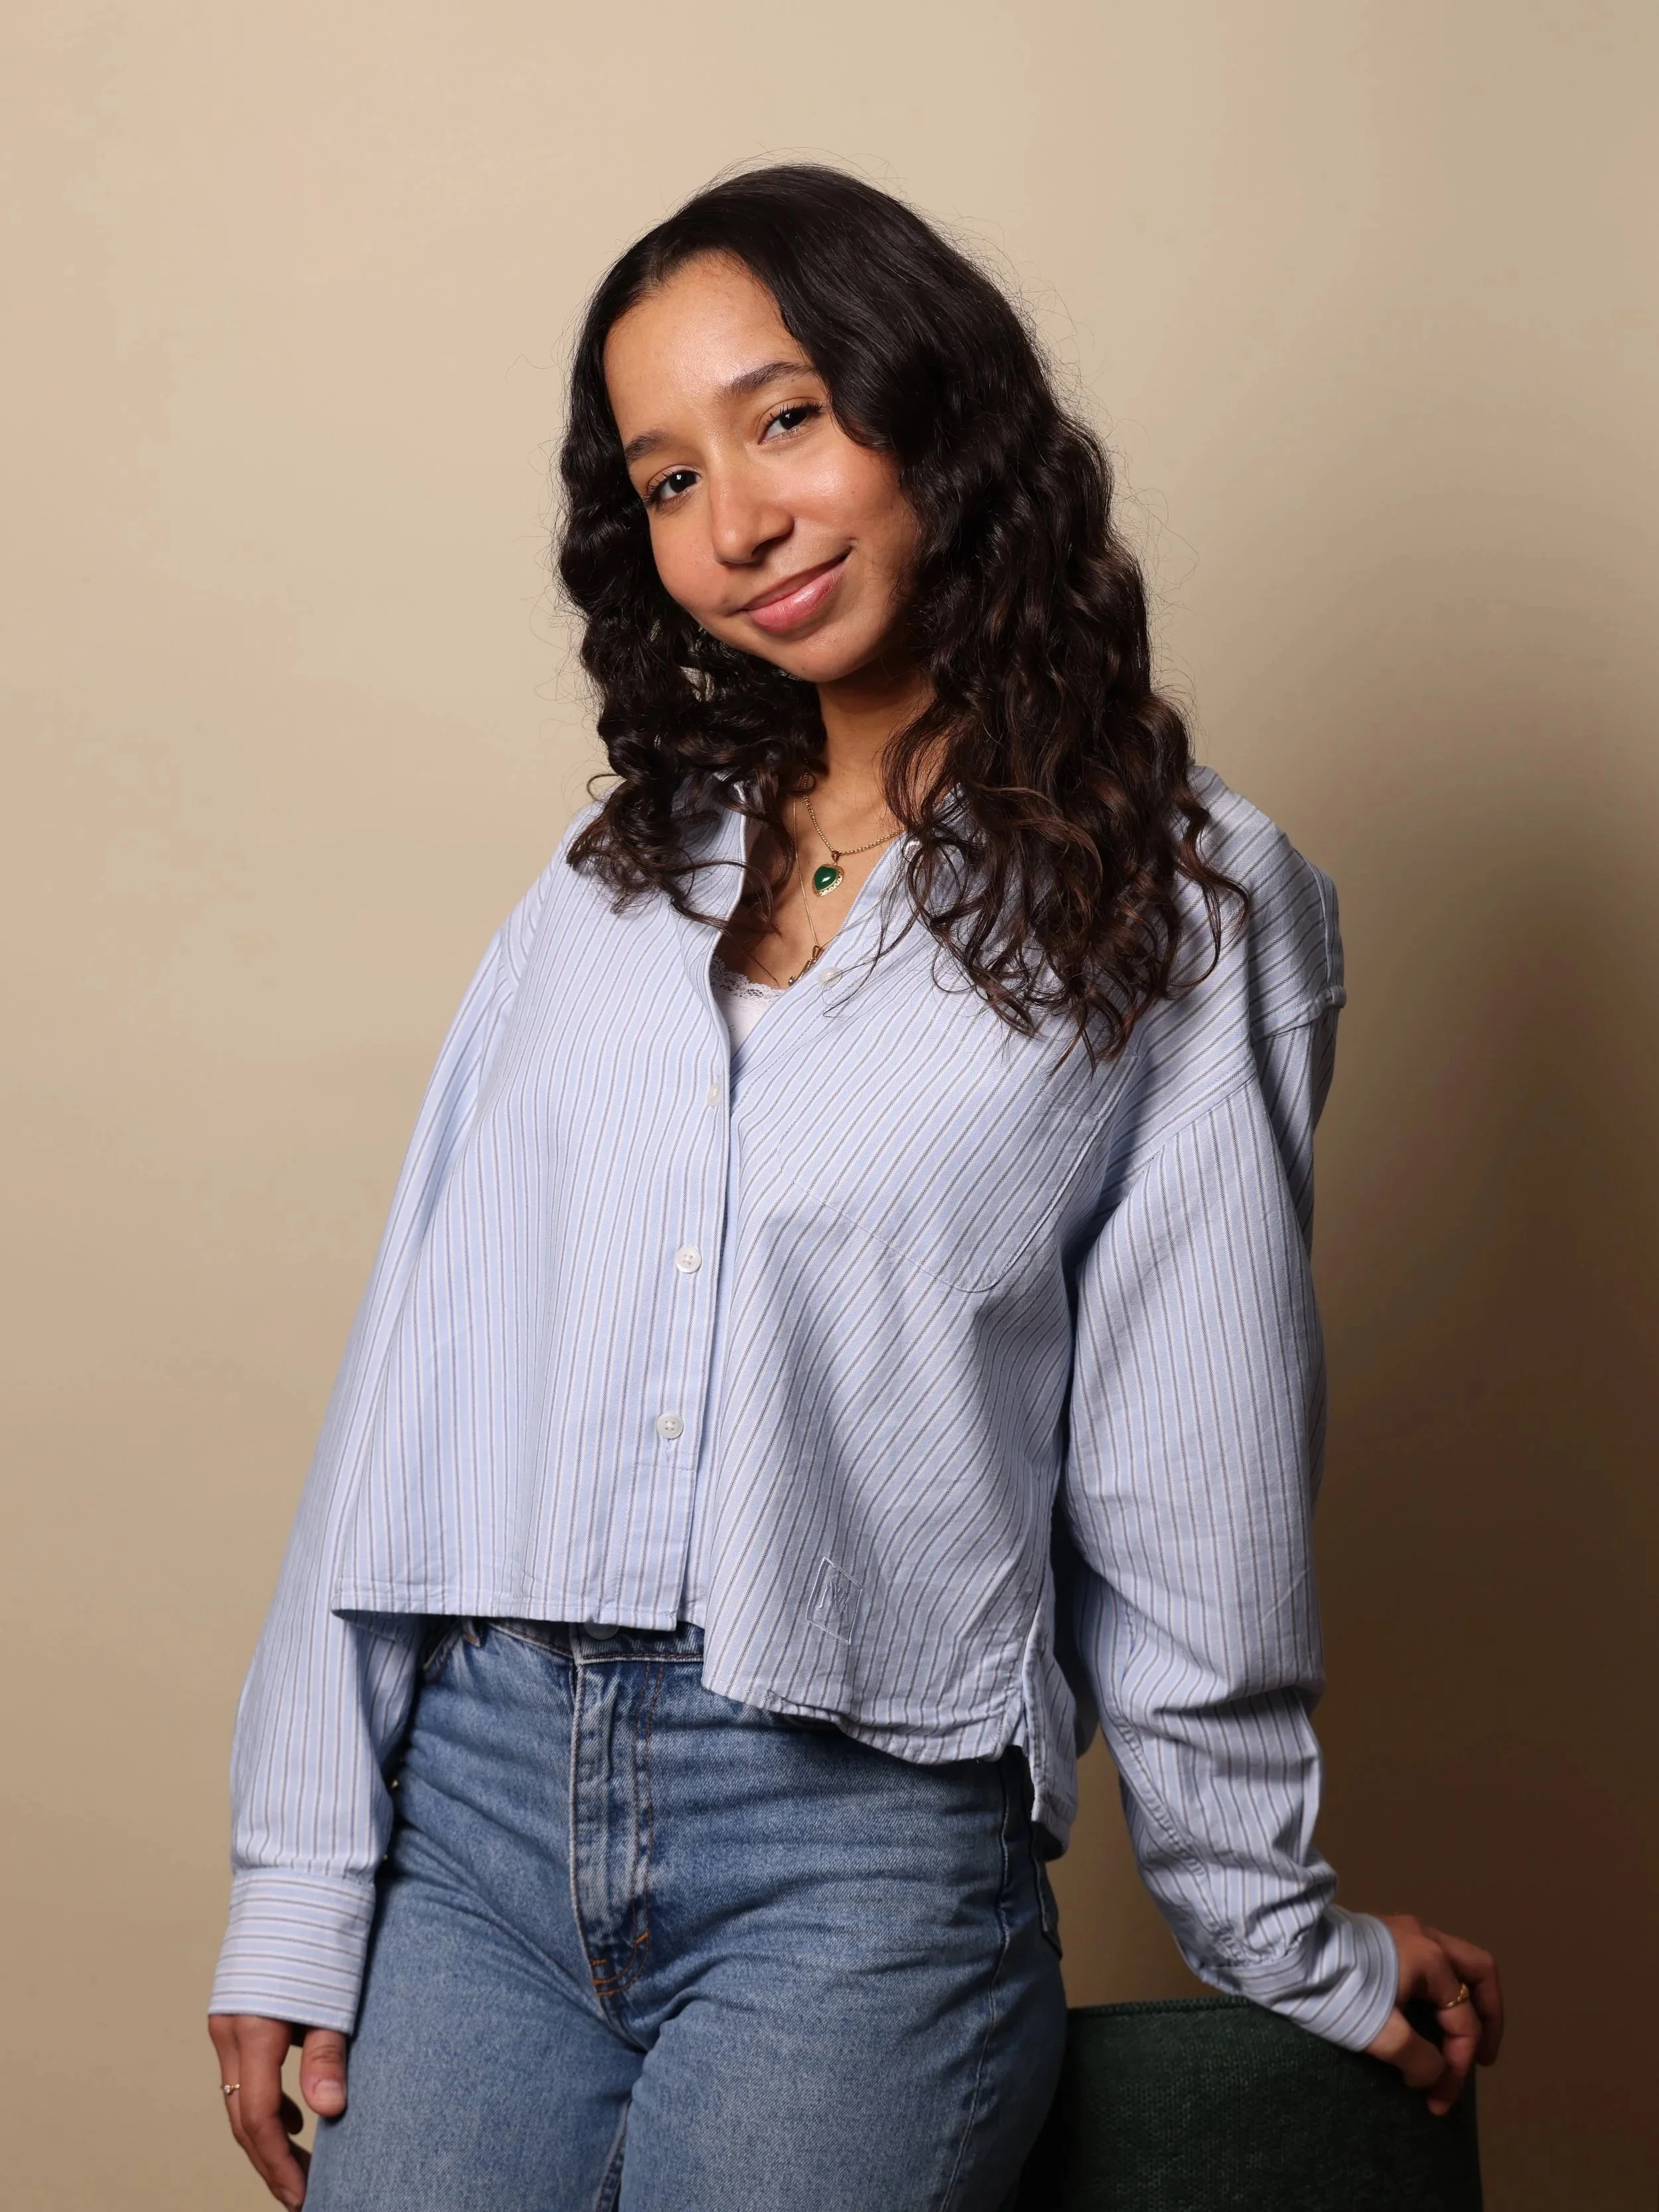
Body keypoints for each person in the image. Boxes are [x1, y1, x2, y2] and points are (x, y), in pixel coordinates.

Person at [208, 165, 1503, 2211]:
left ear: (937, 413)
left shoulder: (1191, 902)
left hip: (855, 1853)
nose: (736, 520)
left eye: (787, 417)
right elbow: (412, 1382)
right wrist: (297, 1876)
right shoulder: (606, 883)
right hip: (469, 1825)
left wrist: (1276, 1926)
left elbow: (1192, 1472)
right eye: (667, 478)